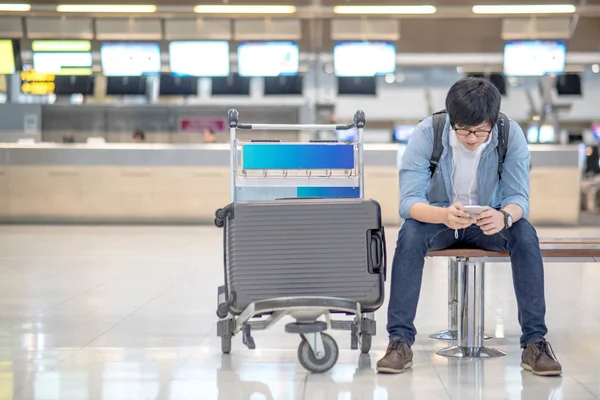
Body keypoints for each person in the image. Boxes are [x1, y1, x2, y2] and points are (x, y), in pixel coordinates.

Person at [376, 77, 562, 377]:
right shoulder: (428, 133)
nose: (472, 138)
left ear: (492, 121)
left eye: (480, 131)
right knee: (409, 233)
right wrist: (443, 216)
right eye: (463, 129)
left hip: (488, 222)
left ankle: (535, 343)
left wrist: (504, 217)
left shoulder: (508, 134)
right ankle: (399, 341)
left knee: (524, 232)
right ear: (451, 119)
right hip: (440, 221)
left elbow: (518, 199)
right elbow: (408, 202)